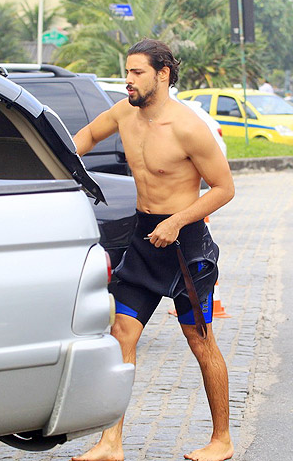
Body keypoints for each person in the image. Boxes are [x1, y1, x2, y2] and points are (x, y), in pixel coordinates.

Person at [71, 39, 235, 461]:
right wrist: (50, 166)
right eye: (126, 72)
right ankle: (111, 443)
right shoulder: (125, 113)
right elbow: (87, 135)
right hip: (144, 241)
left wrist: (178, 220)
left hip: (186, 247)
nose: (128, 80)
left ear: (163, 74)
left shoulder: (187, 127)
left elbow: (224, 188)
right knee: (122, 334)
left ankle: (221, 440)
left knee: (200, 341)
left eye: (137, 72)